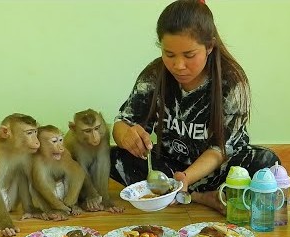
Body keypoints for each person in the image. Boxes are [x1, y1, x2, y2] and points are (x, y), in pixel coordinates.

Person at [109, 0, 280, 214]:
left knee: (266, 162)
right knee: (110, 157)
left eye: (189, 55)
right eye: (169, 54)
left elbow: (220, 150)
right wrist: (127, 135)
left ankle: (187, 194)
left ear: (209, 46)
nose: (178, 65)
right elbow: (122, 123)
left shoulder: (231, 82)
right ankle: (197, 196)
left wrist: (186, 179)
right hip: (169, 167)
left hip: (216, 169)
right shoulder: (153, 76)